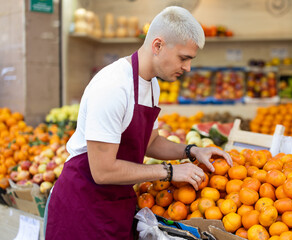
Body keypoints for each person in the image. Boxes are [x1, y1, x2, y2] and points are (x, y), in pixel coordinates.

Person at [45, 6, 232, 240]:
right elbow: (102, 171)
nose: (188, 68)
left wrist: (192, 150)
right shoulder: (113, 86)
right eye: (183, 58)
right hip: (83, 207)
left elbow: (151, 142)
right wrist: (169, 171)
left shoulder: (151, 84)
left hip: (117, 204)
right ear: (157, 45)